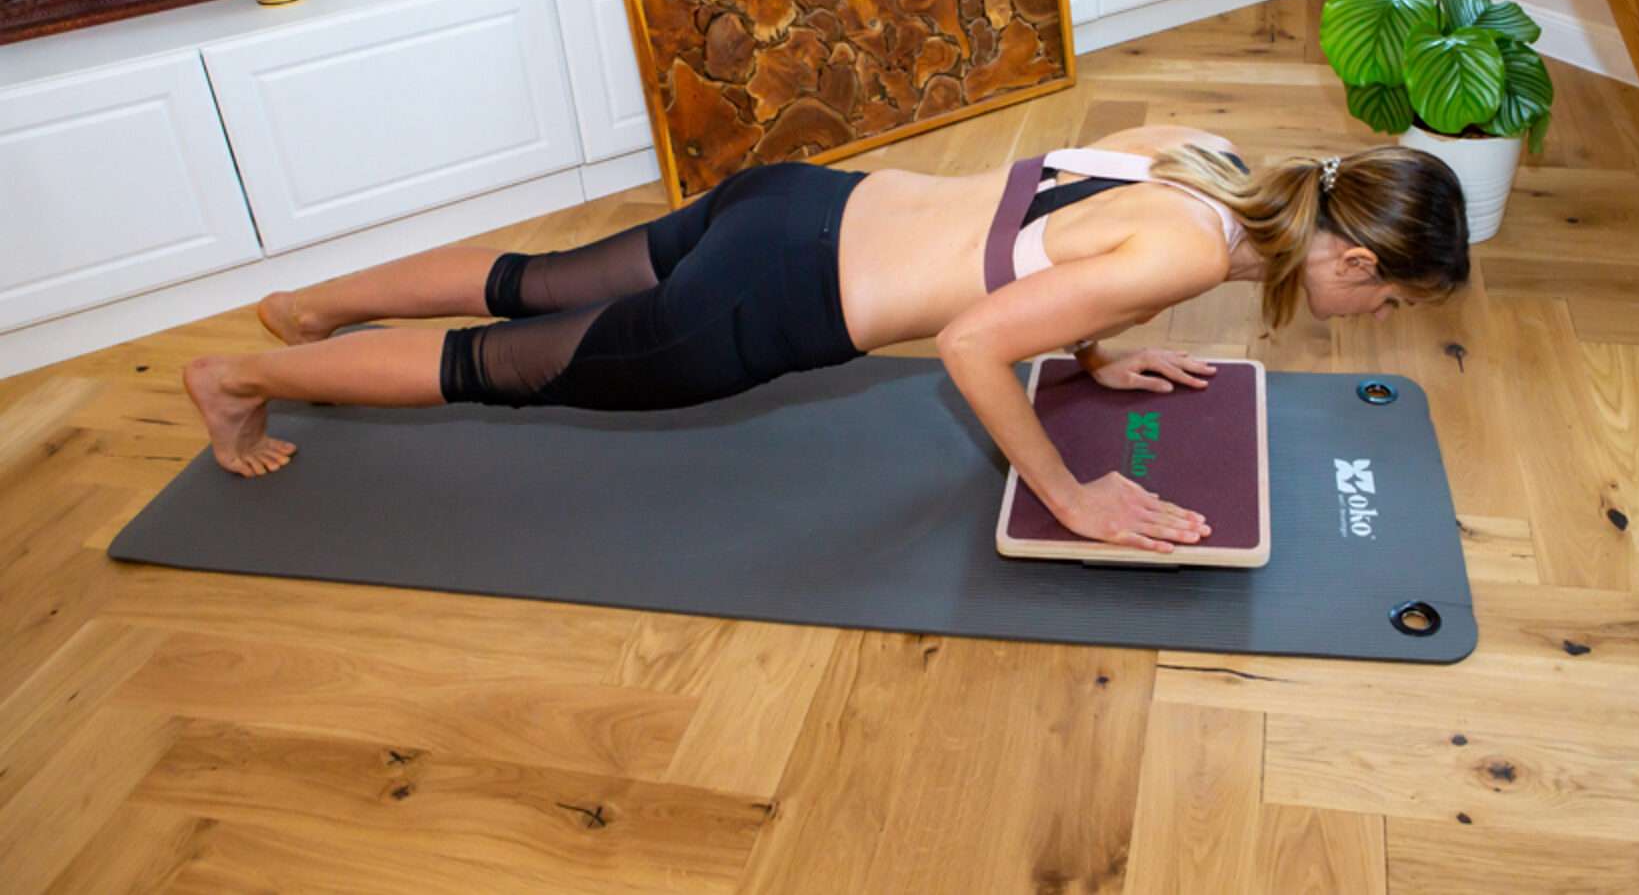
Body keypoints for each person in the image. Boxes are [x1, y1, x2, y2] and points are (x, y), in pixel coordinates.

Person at [183, 125, 1469, 553]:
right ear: (1351, 258)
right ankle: (242, 374)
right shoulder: (1188, 252)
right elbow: (972, 342)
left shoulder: (1207, 162)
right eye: (1390, 300)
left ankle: (314, 302)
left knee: (537, 279)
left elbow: (1051, 235)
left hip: (802, 198)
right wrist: (1068, 492)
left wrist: (1090, 354)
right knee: (497, 366)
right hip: (766, 302)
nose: (1379, 318)